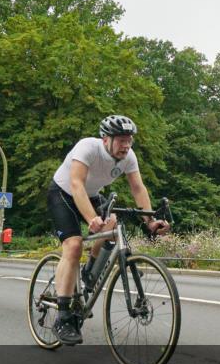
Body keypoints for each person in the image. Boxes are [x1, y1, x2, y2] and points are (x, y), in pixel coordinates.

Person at [47, 115, 170, 345]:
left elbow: (137, 188)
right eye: (122, 140)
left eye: (129, 140)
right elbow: (76, 184)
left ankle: (89, 270)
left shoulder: (129, 157)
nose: (126, 145)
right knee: (73, 246)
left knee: (113, 222)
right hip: (63, 194)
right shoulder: (87, 147)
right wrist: (91, 218)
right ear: (106, 139)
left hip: (91, 195)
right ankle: (63, 316)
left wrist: (150, 221)